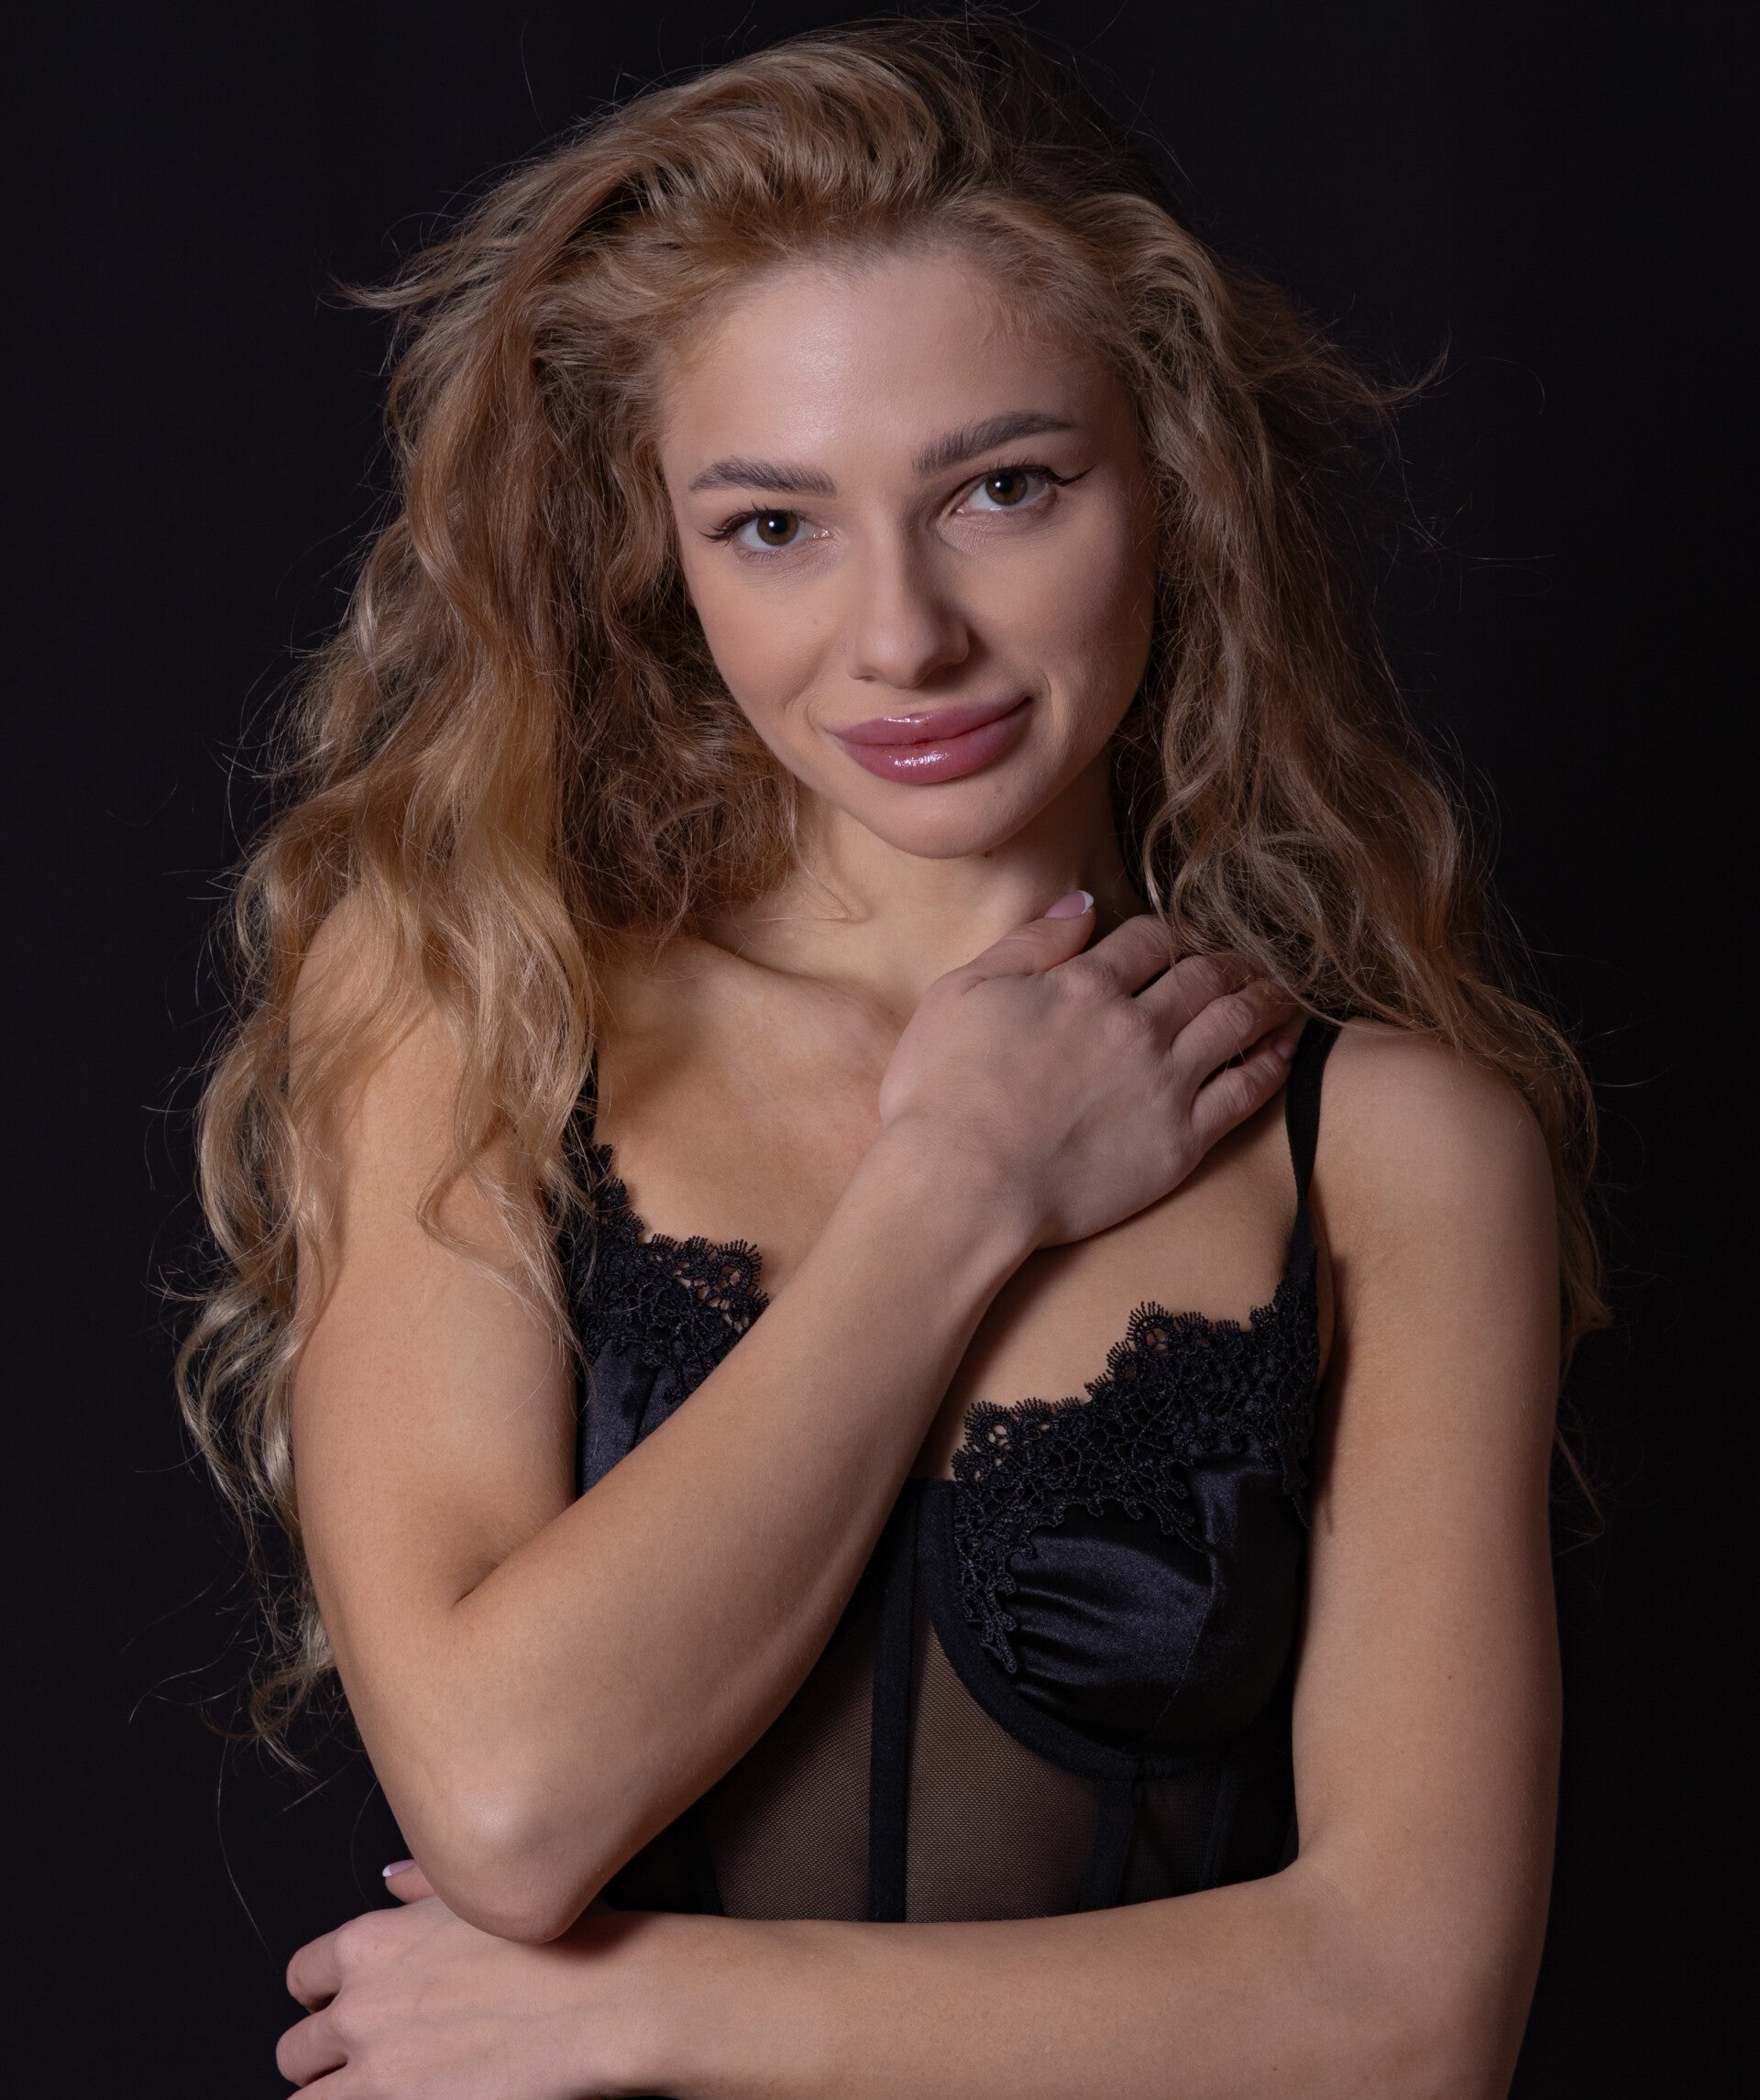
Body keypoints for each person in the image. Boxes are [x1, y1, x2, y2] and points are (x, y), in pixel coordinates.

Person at [181, 19, 1600, 2095]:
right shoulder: (469, 995)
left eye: (1003, 489)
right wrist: (957, 1187)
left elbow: (1410, 2013)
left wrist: (652, 2006)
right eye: (774, 525)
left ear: (1173, 483)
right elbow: (504, 1799)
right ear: (659, 550)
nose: (903, 635)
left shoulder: (1399, 1153)